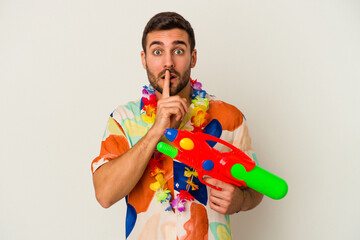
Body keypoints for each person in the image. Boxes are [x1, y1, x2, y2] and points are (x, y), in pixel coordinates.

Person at [91, 12, 263, 240]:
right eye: (157, 51)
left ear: (193, 58)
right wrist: (155, 132)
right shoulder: (123, 119)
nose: (168, 62)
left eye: (178, 51)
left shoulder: (229, 117)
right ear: (144, 59)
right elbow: (105, 195)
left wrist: (241, 200)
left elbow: (257, 187)